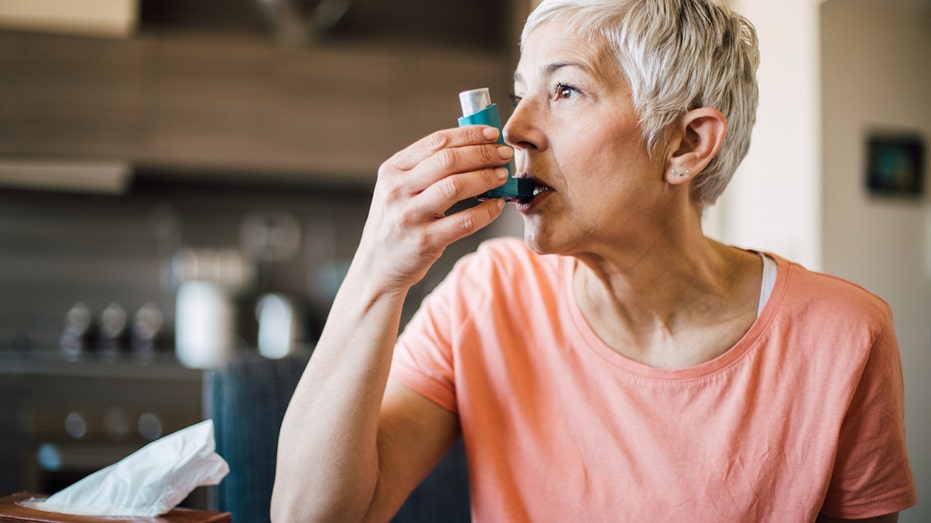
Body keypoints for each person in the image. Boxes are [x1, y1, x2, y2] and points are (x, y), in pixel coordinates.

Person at [271, 0, 917, 521]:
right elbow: (311, 515)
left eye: (566, 91)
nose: (515, 128)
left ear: (686, 143)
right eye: (521, 91)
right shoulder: (486, 296)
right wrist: (376, 273)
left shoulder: (845, 335)